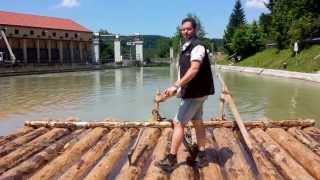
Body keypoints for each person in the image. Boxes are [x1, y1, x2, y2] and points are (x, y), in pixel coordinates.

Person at [155, 17, 215, 172]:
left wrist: (176, 85)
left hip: (196, 93)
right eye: (183, 29)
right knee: (197, 121)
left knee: (178, 122)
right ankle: (202, 157)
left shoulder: (198, 47)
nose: (185, 31)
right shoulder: (186, 47)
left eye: (188, 29)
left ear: (194, 29)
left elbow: (194, 69)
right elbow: (183, 72)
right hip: (196, 92)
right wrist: (172, 91)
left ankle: (171, 160)